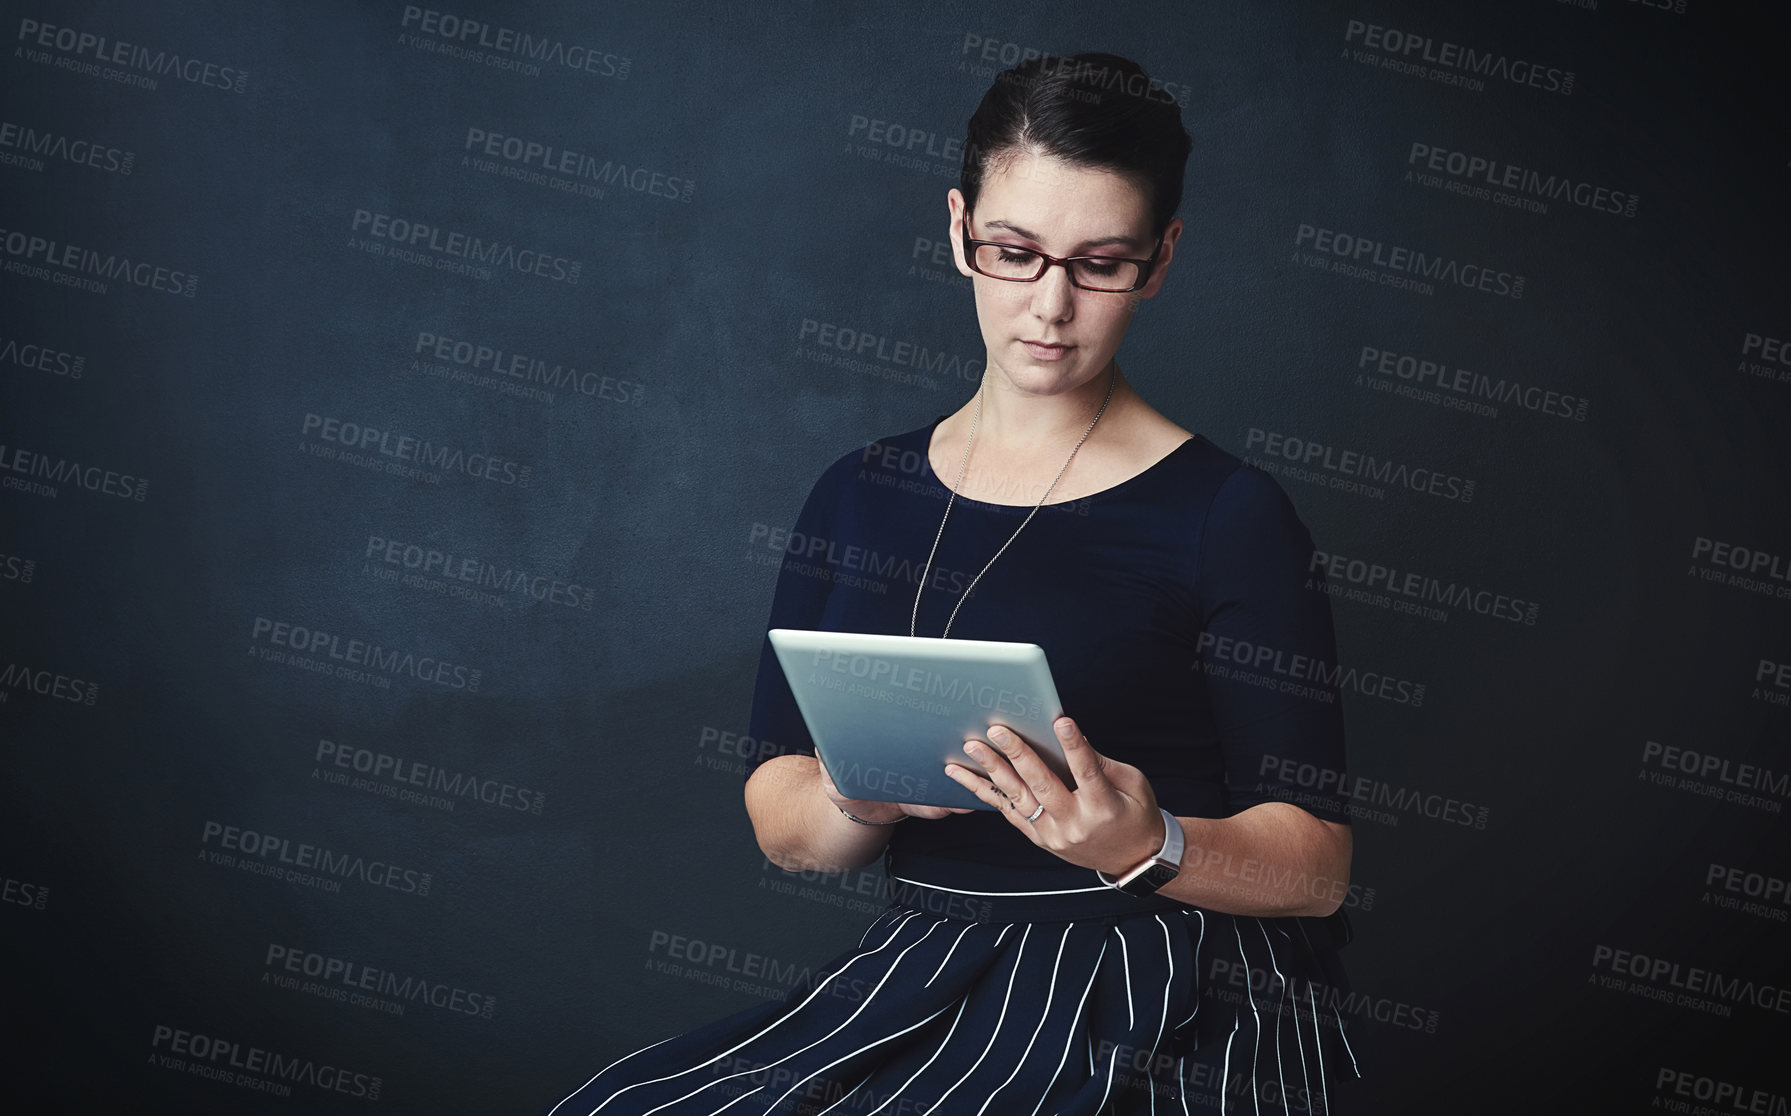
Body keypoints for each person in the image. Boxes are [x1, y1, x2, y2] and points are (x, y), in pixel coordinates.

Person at [550, 52, 1361, 1115]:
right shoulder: (859, 491)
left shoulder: (1230, 513)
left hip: (1168, 985)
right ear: (956, 230)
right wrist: (856, 795)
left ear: (1159, 260)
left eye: (1100, 263)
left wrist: (1144, 843)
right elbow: (781, 814)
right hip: (933, 969)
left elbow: (1317, 869)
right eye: (1014, 253)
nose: (1051, 306)